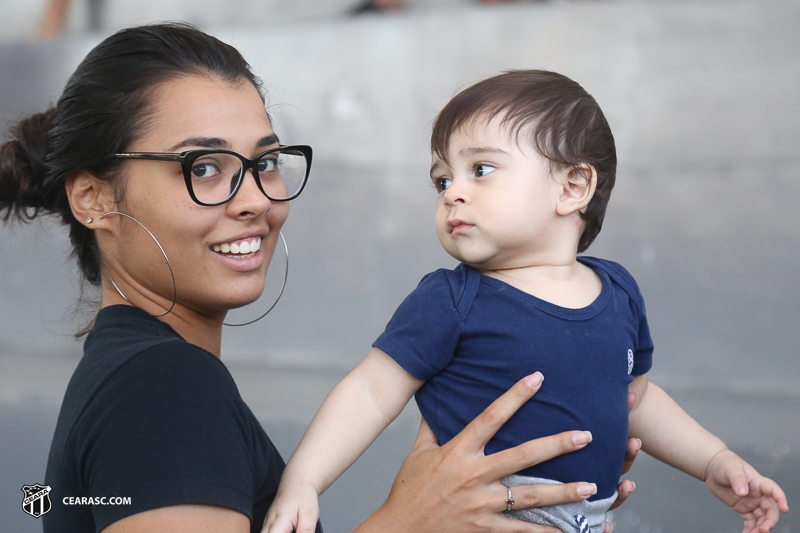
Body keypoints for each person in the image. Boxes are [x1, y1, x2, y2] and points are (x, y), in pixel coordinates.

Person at [0, 26, 638, 533]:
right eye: (204, 167)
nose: (255, 199)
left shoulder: (130, 372)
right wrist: (407, 525)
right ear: (93, 199)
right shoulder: (165, 387)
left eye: (266, 162)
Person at [264, 70, 790, 533]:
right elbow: (371, 392)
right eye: (442, 179)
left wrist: (712, 459)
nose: (452, 192)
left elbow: (640, 400)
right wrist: (304, 482)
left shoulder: (618, 292)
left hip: (586, 517)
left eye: (481, 170)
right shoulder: (451, 299)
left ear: (573, 187)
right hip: (476, 518)